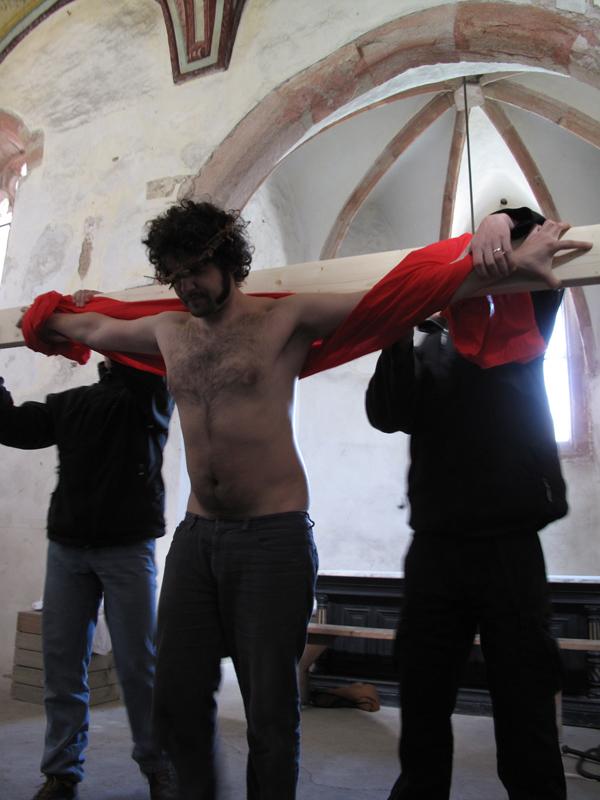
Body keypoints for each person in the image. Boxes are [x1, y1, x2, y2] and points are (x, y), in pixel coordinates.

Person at [27, 200, 589, 800]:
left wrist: (508, 262)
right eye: (176, 275)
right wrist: (55, 313)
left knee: (271, 712)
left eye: (196, 270)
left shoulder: (285, 319)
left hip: (274, 535)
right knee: (176, 699)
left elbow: (392, 301)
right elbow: (92, 329)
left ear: (228, 260)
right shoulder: (168, 330)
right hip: (198, 536)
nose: (187, 286)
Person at [365, 209, 570, 800]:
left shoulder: (522, 321)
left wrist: (499, 218)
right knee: (423, 707)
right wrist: (397, 331)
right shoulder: (427, 344)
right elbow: (386, 414)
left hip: (510, 546)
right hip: (437, 547)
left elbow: (545, 231)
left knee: (527, 709)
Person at [0, 314, 176, 800]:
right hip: (69, 550)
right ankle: (61, 773)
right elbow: (11, 425)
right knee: (62, 668)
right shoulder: (73, 403)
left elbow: (140, 359)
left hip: (127, 549)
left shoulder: (152, 396)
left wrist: (90, 319)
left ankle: (159, 766)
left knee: (140, 668)